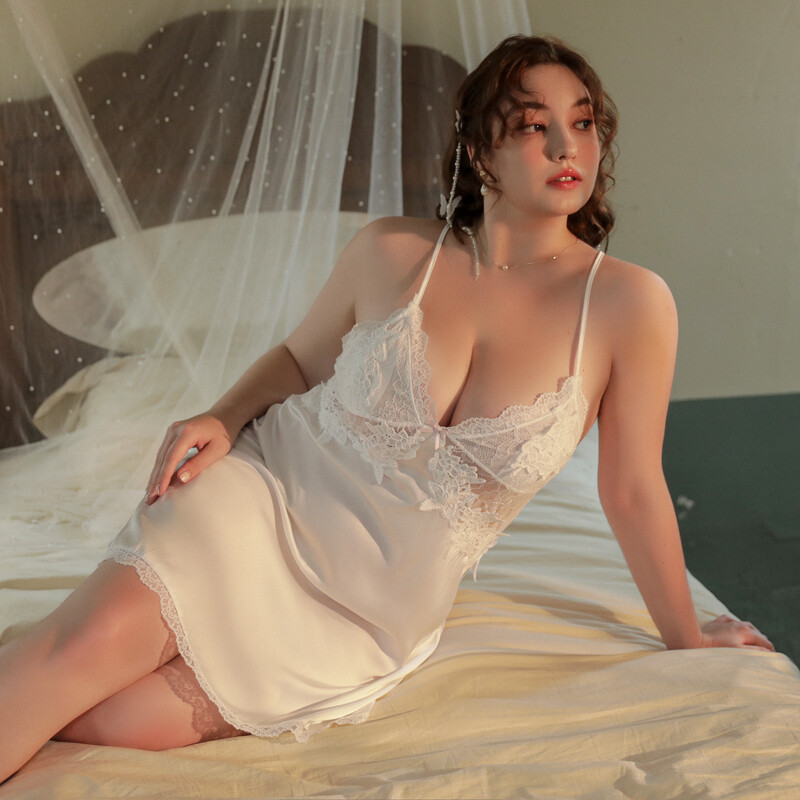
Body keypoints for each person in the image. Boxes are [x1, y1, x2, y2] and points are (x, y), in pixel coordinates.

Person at [0, 34, 774, 782]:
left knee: (109, 721)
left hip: (368, 614)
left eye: (583, 123)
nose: (567, 147)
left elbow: (632, 489)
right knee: (81, 653)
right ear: (481, 153)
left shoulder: (629, 304)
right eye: (533, 126)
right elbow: (299, 360)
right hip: (261, 497)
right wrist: (223, 417)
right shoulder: (393, 251)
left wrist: (687, 637)